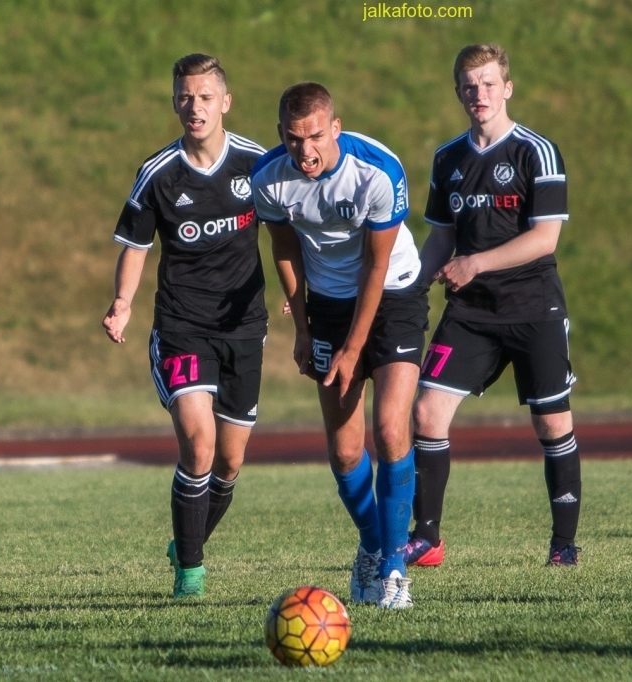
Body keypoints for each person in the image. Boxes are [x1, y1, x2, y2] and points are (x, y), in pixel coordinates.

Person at [251, 82, 427, 609]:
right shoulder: (268, 179)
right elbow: (283, 250)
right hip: (327, 304)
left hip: (392, 291)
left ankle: (396, 567)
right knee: (346, 448)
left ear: (336, 128)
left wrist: (353, 350)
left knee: (391, 428)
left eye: (314, 137)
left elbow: (376, 267)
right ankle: (372, 548)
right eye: (292, 138)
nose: (305, 151)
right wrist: (303, 328)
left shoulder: (378, 170)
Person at [406, 44, 582, 569]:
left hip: (533, 307)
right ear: (457, 91)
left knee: (552, 424)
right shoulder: (448, 158)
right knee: (426, 412)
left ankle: (563, 545)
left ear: (507, 88)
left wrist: (475, 263)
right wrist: (409, 287)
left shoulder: (536, 152)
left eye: (487, 84)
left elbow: (544, 239)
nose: (478, 94)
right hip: (470, 312)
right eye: (468, 85)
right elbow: (440, 239)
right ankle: (428, 538)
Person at [102, 54, 268, 599]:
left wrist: (302, 294)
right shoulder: (159, 173)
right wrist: (123, 303)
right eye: (183, 97)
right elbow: (135, 244)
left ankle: (187, 540)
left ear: (225, 102)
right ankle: (190, 574)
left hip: (244, 327)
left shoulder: (256, 164)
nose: (192, 107)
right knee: (198, 444)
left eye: (202, 97)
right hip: (182, 325)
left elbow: (289, 232)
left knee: (229, 461)